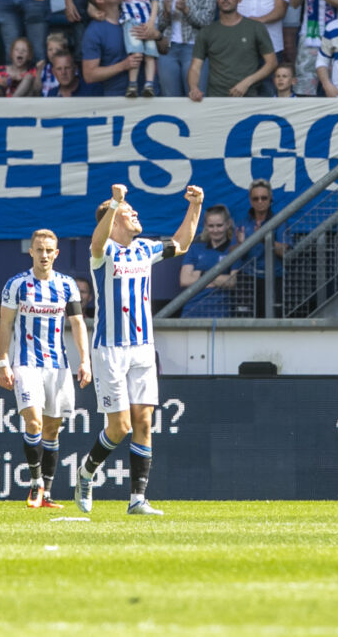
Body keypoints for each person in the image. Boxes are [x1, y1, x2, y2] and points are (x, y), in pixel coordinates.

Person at [73, 182, 203, 515]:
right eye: (130, 213)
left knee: (143, 422)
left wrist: (196, 206)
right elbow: (97, 242)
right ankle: (86, 473)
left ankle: (137, 500)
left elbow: (183, 243)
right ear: (115, 219)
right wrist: (116, 202)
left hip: (143, 348)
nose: (136, 215)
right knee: (119, 428)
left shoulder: (145, 248)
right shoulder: (103, 253)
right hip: (110, 351)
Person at [0, 229, 90, 509]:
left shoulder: (67, 285)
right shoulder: (16, 284)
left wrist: (84, 360)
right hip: (26, 364)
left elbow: (77, 323)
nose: (45, 255)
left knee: (52, 430)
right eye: (40, 250)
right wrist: (3, 361)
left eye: (49, 250)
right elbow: (5, 324)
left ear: (56, 253)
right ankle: (36, 484)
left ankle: (47, 493)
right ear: (32, 252)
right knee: (34, 423)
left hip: (58, 366)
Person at [188, 0, 277, 100]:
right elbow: (195, 67)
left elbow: (272, 63)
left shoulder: (255, 27)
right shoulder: (206, 32)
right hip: (216, 98)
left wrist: (247, 82)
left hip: (248, 97)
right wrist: (194, 88)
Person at [154, 0, 215, 97]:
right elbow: (158, 26)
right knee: (170, 99)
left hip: (194, 50)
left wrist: (187, 10)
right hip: (168, 50)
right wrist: (166, 14)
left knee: (195, 96)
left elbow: (207, 23)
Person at [82, 0, 142, 96]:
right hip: (119, 98)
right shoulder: (94, 31)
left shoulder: (136, 14)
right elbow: (89, 75)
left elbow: (164, 49)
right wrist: (123, 65)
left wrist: (157, 36)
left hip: (150, 94)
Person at [234, 178, 286, 318]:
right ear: (251, 201)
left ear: (270, 199)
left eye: (264, 198)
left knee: (274, 320)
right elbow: (231, 254)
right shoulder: (243, 223)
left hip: (273, 278)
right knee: (245, 322)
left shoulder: (279, 221)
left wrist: (265, 239)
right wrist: (240, 245)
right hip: (248, 278)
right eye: (256, 198)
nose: (260, 201)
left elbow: (285, 252)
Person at [179, 204, 238, 318]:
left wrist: (201, 275)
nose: (215, 230)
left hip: (220, 313)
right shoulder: (195, 248)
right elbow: (184, 280)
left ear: (228, 224)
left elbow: (231, 281)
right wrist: (217, 279)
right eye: (211, 226)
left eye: (219, 225)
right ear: (205, 225)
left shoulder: (233, 249)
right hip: (191, 312)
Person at [117, 0, 158, 97]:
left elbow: (155, 1)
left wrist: (152, 23)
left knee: (150, 54)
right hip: (130, 22)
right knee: (135, 54)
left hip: (147, 23)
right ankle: (132, 85)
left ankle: (149, 85)